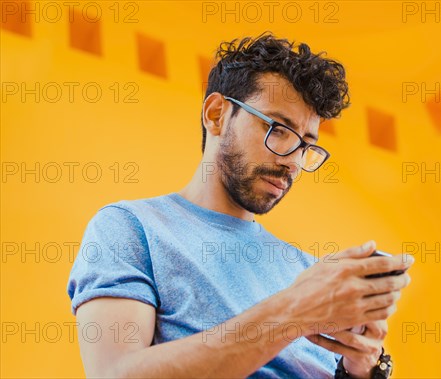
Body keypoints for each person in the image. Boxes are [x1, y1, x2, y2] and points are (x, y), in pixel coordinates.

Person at [67, 32, 414, 378]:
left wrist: (363, 366)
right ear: (216, 114)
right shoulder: (131, 228)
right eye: (278, 129)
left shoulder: (308, 271)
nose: (293, 162)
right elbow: (114, 373)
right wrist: (296, 309)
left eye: (306, 145)